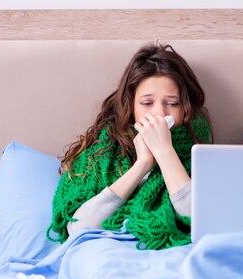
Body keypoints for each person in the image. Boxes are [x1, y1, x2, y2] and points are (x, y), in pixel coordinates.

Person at [46, 43, 211, 250]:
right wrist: (143, 164)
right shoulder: (103, 150)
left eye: (172, 103)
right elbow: (79, 228)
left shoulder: (200, 154)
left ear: (186, 108)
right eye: (147, 103)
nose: (160, 113)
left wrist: (164, 152)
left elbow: (200, 222)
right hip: (105, 253)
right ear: (131, 105)